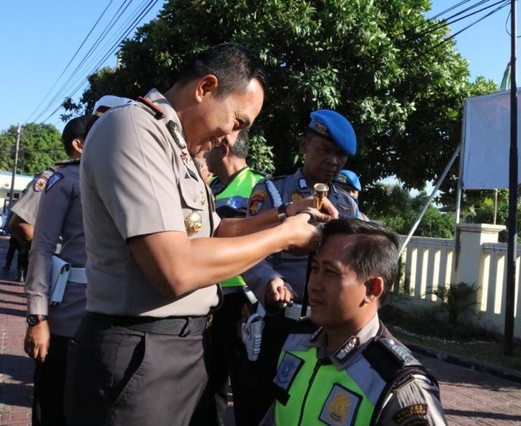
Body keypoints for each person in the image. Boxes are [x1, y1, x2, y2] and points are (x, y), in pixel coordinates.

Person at [64, 43, 330, 426]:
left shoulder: (180, 148)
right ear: (205, 87)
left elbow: (215, 231)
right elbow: (175, 269)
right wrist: (285, 236)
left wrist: (288, 212)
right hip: (140, 352)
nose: (230, 140)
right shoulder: (134, 130)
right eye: (237, 122)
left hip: (184, 347)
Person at [236, 109, 361, 424]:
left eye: (340, 156)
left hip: (325, 330)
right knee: (259, 407)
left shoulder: (347, 206)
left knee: (310, 408)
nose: (333, 161)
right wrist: (271, 281)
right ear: (304, 145)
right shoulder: (272, 192)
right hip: (280, 324)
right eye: (325, 150)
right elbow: (252, 252)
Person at [261, 218, 447, 425]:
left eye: (330, 272)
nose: (313, 284)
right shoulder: (297, 340)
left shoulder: (398, 384)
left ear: (372, 289)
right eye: (315, 268)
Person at [191, 129, 265, 424]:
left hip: (243, 306)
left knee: (246, 389)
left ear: (224, 146)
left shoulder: (260, 187)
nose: (205, 149)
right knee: (208, 389)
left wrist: (256, 297)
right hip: (209, 302)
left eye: (212, 143)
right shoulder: (208, 188)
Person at [23, 114, 92, 426]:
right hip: (67, 316)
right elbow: (40, 245)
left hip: (109, 317)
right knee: (53, 407)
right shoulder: (65, 180)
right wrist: (37, 317)